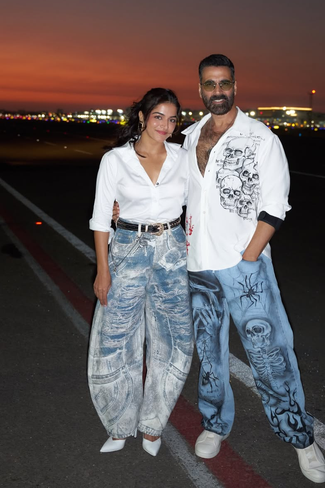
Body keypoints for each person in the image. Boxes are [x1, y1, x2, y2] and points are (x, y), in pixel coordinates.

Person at [182, 54, 325, 483]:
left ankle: (300, 436)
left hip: (244, 267)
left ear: (235, 86)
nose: (218, 91)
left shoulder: (260, 138)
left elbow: (275, 205)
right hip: (198, 265)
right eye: (210, 84)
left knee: (270, 356)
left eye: (224, 83)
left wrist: (249, 256)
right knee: (209, 355)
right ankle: (215, 423)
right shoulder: (188, 138)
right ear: (200, 89)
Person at [88, 88, 193, 457]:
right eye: (158, 116)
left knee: (175, 340)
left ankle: (152, 425)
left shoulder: (183, 158)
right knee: (115, 340)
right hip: (128, 248)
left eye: (172, 119)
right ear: (143, 117)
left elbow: (199, 201)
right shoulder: (115, 160)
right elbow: (101, 219)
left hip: (171, 250)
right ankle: (119, 424)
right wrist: (103, 270)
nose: (165, 125)